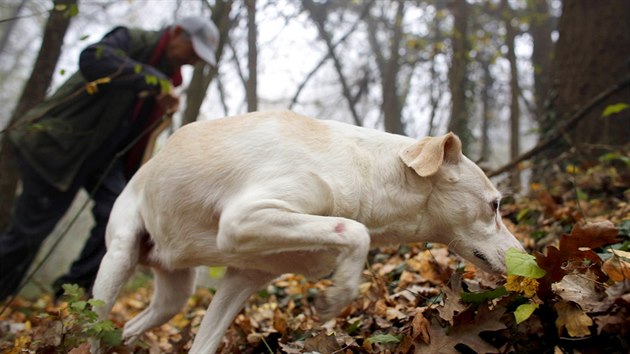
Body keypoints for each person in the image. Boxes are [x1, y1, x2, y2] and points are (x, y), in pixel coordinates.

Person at [0, 16, 220, 301]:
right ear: (177, 33)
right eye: (193, 51)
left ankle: (70, 297)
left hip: (102, 160)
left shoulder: (169, 78)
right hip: (58, 149)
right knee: (28, 233)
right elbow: (93, 59)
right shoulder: (132, 40)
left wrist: (162, 102)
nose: (193, 62)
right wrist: (152, 81)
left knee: (119, 220)